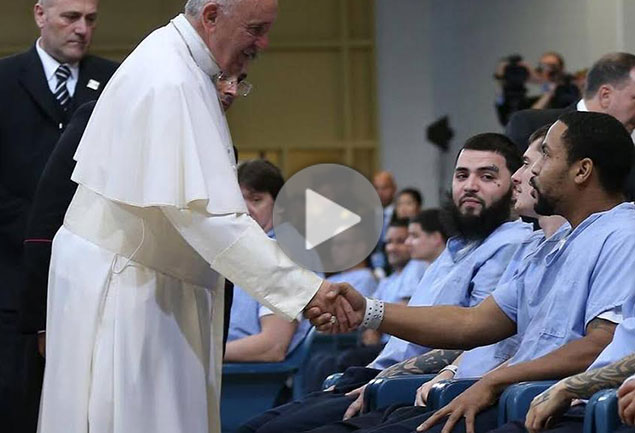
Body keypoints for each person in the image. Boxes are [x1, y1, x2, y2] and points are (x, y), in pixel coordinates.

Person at [36, 1, 351, 433]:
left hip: (147, 277)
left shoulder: (180, 63)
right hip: (130, 283)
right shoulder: (172, 80)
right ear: (212, 17)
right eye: (255, 29)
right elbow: (210, 217)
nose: (263, 44)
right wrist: (306, 291)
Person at [309, 112, 635, 433]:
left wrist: (495, 379)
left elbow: (601, 343)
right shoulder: (555, 245)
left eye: (546, 155)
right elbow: (472, 323)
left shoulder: (622, 235)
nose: (532, 169)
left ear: (582, 171)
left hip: (546, 411)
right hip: (513, 400)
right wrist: (368, 310)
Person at [237, 133, 534, 433]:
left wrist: (382, 365)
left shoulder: (511, 244)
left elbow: (478, 340)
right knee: (256, 427)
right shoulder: (456, 247)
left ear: (515, 184)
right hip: (379, 375)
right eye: (461, 175)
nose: (470, 185)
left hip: (411, 388)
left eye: (487, 176)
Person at [0, 0, 117, 431]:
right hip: (13, 280)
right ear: (39, 15)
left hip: (97, 278)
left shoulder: (115, 81)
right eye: (71, 18)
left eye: (90, 19)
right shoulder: (4, 81)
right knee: (18, 406)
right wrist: (42, 234)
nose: (82, 29)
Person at [225, 159, 311, 363]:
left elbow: (272, 346)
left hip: (253, 381)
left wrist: (204, 357)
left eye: (256, 200)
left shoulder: (287, 254)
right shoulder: (236, 251)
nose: (245, 210)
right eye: (238, 200)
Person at [370, 171, 397, 278]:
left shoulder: (401, 215)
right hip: (371, 272)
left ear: (394, 189)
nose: (380, 192)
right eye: (376, 188)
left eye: (385, 188)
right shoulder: (365, 218)